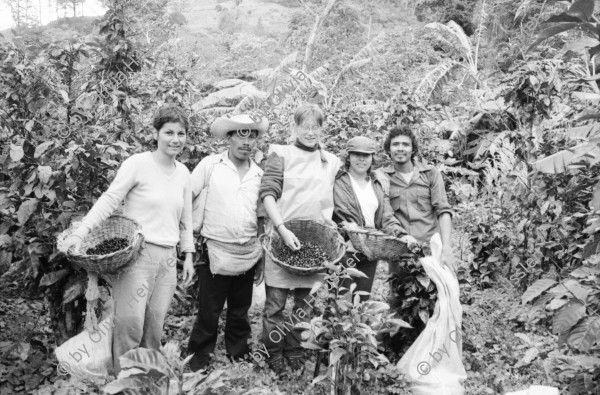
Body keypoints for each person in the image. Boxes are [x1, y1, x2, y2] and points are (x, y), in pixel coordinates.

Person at [60, 104, 195, 373]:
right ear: (156, 133)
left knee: (154, 327)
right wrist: (81, 232)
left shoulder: (183, 173)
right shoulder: (138, 164)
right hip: (137, 256)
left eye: (181, 133)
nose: (175, 139)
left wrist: (188, 255)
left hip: (167, 259)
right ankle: (122, 383)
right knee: (129, 324)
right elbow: (110, 200)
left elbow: (186, 219)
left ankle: (146, 383)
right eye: (169, 132)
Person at [259, 103, 342, 375]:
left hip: (313, 243)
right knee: (275, 306)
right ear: (294, 127)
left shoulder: (330, 161)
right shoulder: (281, 154)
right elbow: (268, 195)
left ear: (322, 128)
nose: (310, 132)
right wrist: (282, 228)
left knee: (303, 307)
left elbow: (339, 197)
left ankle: (294, 350)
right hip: (283, 240)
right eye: (304, 127)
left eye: (315, 127)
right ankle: (273, 354)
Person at [186, 113, 268, 372]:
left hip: (247, 251)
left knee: (240, 309)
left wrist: (262, 253)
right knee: (209, 310)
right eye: (241, 135)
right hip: (215, 250)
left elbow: (262, 217)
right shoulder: (211, 165)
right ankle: (198, 358)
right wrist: (186, 240)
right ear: (229, 138)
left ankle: (238, 352)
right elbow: (186, 196)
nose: (247, 142)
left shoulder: (259, 174)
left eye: (252, 136)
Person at [333, 136, 409, 301]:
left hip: (370, 249)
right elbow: (327, 212)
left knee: (362, 300)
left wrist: (402, 234)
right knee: (340, 300)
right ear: (348, 156)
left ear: (372, 158)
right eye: (356, 154)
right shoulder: (337, 181)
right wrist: (341, 230)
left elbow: (386, 217)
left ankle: (359, 327)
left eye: (366, 155)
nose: (361, 159)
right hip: (345, 250)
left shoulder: (377, 183)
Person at [373, 125, 455, 273]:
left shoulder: (430, 173)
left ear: (413, 149)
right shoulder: (382, 177)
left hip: (430, 251)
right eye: (395, 144)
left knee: (436, 293)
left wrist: (446, 248)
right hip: (399, 253)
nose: (400, 148)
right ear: (388, 149)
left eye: (405, 144)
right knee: (398, 295)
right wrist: (375, 174)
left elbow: (443, 211)